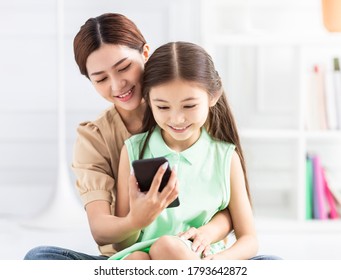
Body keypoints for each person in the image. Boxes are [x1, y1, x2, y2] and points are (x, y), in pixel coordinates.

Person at [24, 13, 232, 260]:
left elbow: (232, 208)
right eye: (100, 78)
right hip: (130, 258)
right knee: (39, 258)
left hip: (200, 255)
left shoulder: (189, 112)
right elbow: (101, 229)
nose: (117, 85)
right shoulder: (96, 137)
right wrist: (135, 220)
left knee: (272, 265)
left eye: (124, 68)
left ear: (145, 53)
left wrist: (207, 234)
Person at [108, 41, 260, 260]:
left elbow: (249, 240)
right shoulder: (134, 151)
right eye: (162, 107)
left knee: (166, 247)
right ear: (148, 101)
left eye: (189, 106)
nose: (177, 119)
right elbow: (121, 244)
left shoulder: (225, 157)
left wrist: (217, 262)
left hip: (201, 260)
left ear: (213, 96)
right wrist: (136, 220)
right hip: (142, 255)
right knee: (135, 259)